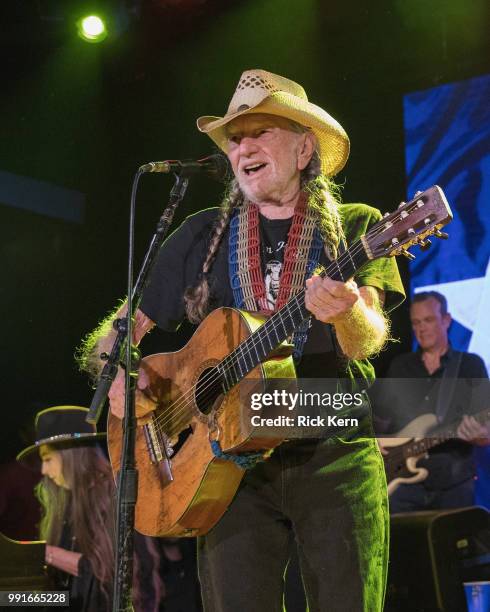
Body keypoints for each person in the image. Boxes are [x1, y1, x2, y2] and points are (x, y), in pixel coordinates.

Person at [78, 69, 405, 611]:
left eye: (261, 132)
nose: (244, 147)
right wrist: (117, 371)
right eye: (235, 139)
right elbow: (122, 329)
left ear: (305, 149)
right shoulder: (202, 234)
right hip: (225, 463)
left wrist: (346, 311)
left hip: (333, 450)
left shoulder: (356, 225)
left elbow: (367, 337)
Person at [17, 406, 162, 612]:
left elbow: (118, 575)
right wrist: (14, 597)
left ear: (72, 456)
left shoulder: (117, 496)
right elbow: (60, 596)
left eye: (48, 459)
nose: (43, 470)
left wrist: (46, 553)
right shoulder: (60, 503)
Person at [374, 291, 489, 512]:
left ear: (446, 320)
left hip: (453, 481)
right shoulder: (401, 366)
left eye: (428, 320)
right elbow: (381, 418)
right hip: (402, 483)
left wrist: (480, 435)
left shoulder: (470, 366)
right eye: (416, 322)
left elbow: (485, 430)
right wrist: (376, 440)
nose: (421, 328)